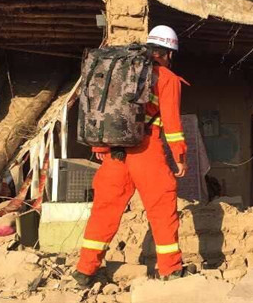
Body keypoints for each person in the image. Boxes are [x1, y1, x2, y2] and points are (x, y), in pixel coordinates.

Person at [73, 25, 189, 286]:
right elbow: (171, 124)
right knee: (162, 208)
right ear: (170, 53)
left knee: (104, 211)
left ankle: (84, 271)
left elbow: (101, 110)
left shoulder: (120, 70)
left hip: (114, 153)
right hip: (146, 149)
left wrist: (101, 148)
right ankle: (170, 269)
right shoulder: (167, 78)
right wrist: (180, 157)